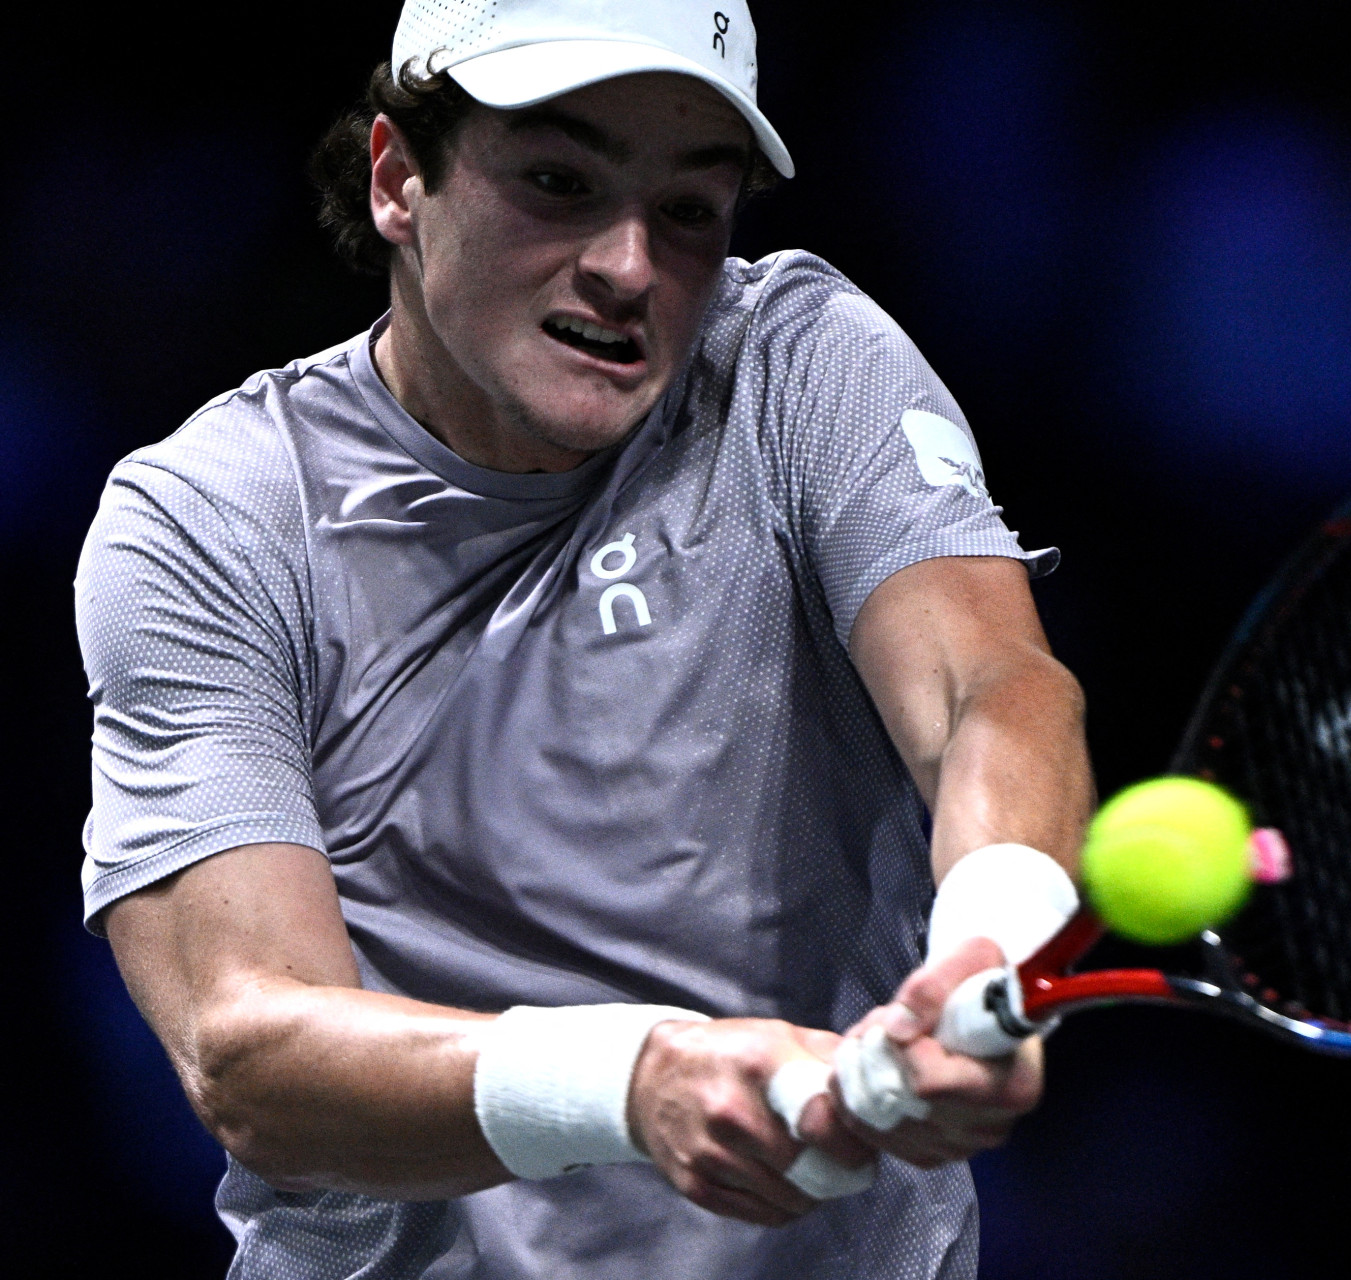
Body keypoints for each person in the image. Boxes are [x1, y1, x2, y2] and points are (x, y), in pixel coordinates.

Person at [74, 2, 1094, 1276]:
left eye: (688, 212)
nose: (627, 266)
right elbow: (253, 1049)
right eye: (559, 182)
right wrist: (632, 1081)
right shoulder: (213, 520)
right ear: (399, 179)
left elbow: (988, 683)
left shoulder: (796, 367)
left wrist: (987, 944)